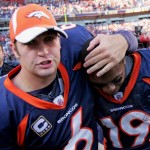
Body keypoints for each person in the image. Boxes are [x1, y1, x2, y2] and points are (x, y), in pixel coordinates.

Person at [0, 3, 138, 150]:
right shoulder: (5, 105)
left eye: (49, 39)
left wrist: (123, 39)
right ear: (14, 50)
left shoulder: (75, 45)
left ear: (59, 40)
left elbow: (127, 42)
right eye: (31, 43)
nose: (44, 51)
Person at [81, 38, 150, 149]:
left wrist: (125, 39)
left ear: (123, 58)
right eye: (99, 85)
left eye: (116, 80)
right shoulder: (82, 85)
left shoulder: (146, 67)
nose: (110, 89)